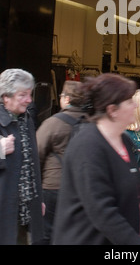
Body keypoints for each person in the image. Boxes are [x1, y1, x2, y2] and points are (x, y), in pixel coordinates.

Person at [52, 73, 140, 245]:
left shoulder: (123, 140)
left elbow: (117, 184)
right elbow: (101, 210)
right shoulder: (87, 145)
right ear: (113, 110)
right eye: (130, 102)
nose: (135, 106)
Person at [36, 80, 88, 244]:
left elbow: (37, 154)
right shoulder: (92, 123)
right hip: (82, 188)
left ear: (66, 99)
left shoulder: (52, 123)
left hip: (53, 187)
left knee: (46, 233)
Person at [0, 68, 44, 245]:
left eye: (30, 94)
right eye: (23, 95)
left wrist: (38, 199)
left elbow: (33, 164)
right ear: (6, 97)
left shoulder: (26, 119)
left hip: (26, 208)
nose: (29, 100)